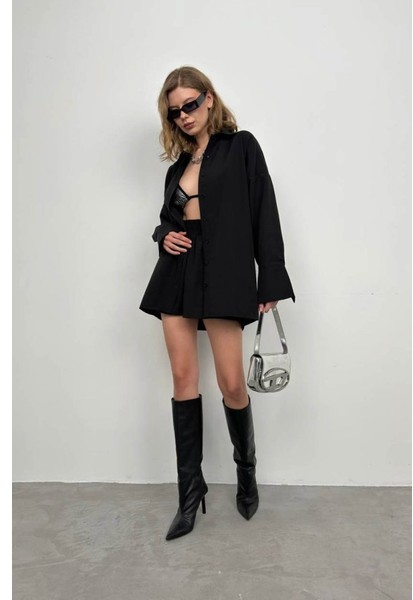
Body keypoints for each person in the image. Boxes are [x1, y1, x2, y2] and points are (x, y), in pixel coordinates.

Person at [139, 65, 295, 541]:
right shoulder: (178, 166)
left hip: (225, 269)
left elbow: (264, 210)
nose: (184, 116)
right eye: (175, 111)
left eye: (190, 104)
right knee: (183, 380)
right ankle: (190, 493)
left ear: (208, 98)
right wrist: (164, 234)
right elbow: (167, 219)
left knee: (231, 383)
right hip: (178, 272)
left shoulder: (241, 147)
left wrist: (270, 277)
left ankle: (246, 473)